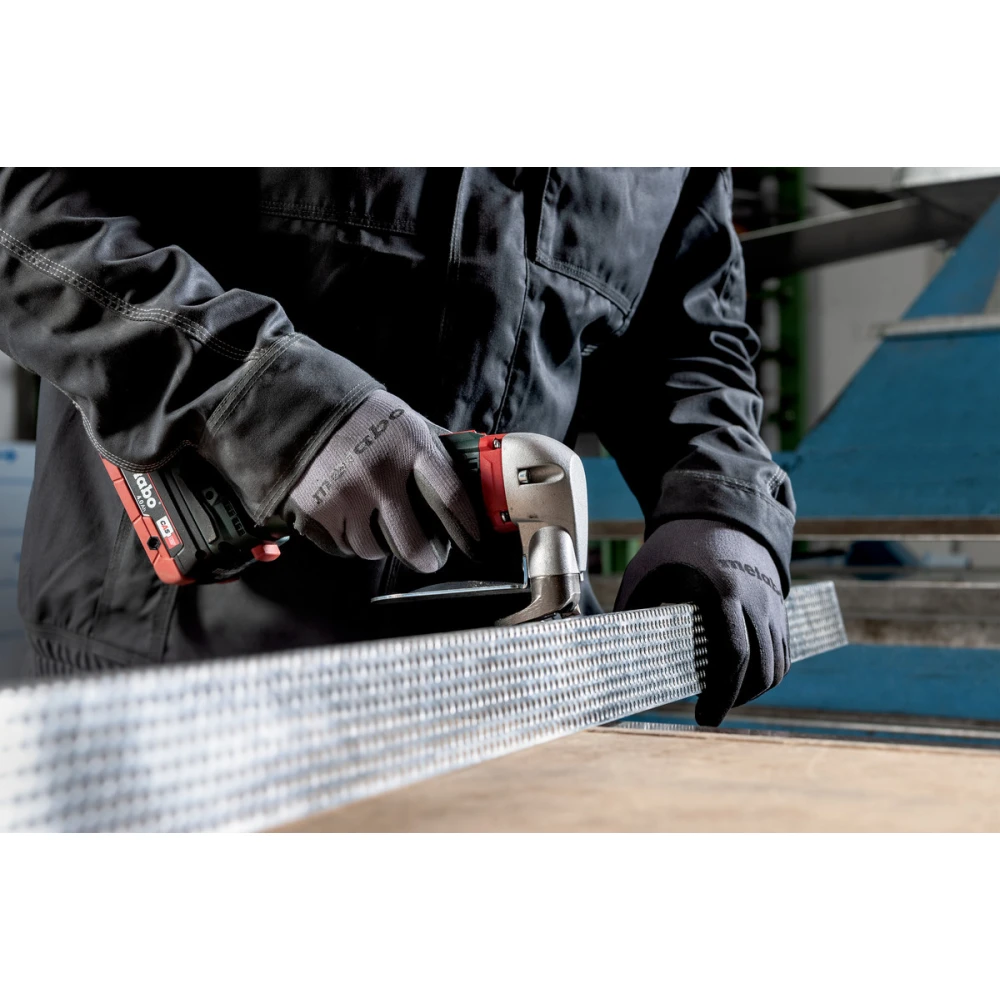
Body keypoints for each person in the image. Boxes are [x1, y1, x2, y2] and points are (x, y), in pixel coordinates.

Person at [0, 168, 795, 725]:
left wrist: (722, 504)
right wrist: (273, 403)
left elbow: (689, 336)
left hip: (500, 692)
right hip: (179, 676)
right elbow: (28, 214)